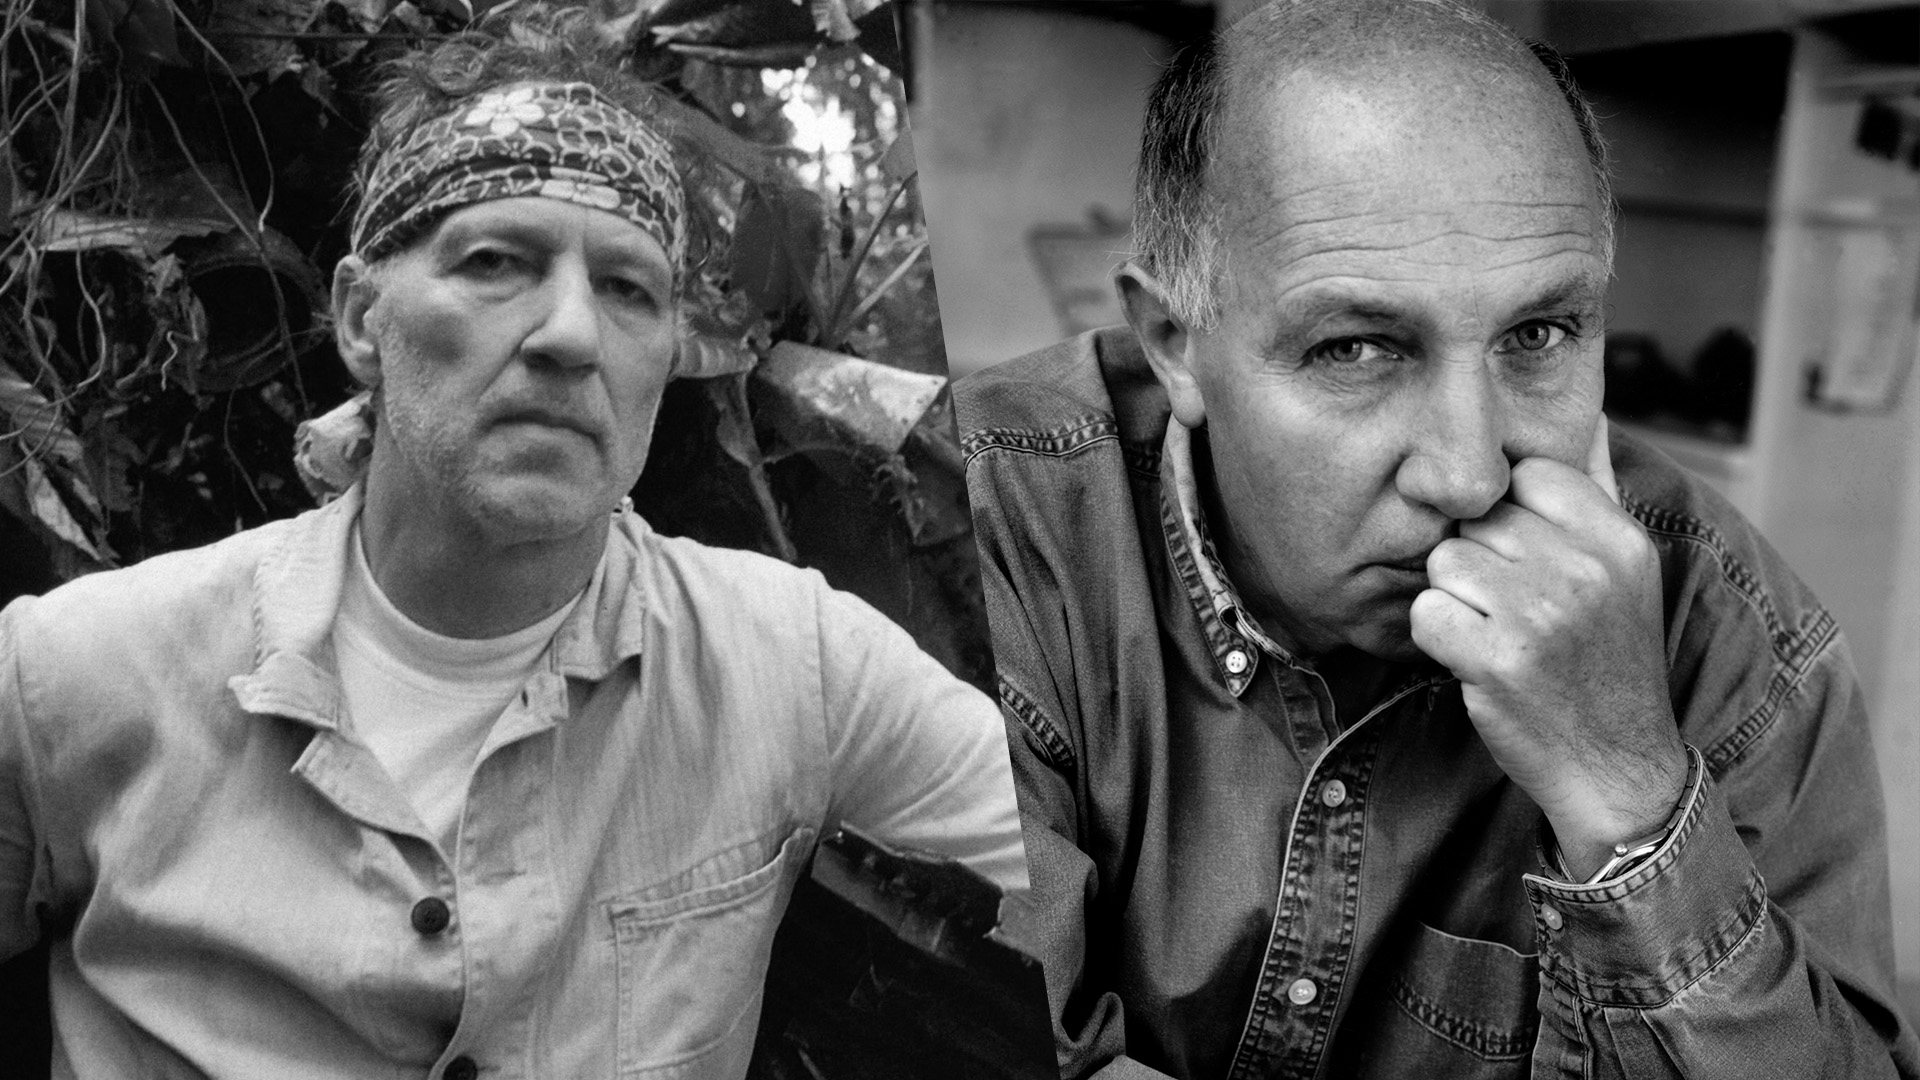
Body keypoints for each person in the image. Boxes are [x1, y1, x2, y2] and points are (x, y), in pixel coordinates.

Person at [0, 9, 1025, 1078]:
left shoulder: (789, 667)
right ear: (361, 319)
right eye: (496, 262)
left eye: (628, 289)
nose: (572, 335)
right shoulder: (77, 674)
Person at [952, 1, 1919, 1077]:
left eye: (1539, 334)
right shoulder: (984, 523)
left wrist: (1633, 802)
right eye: (1356, 348)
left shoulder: (1734, 638)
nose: (1469, 474)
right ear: (1175, 343)